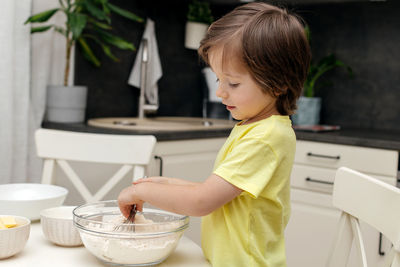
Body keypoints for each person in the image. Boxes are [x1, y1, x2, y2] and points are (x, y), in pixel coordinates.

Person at [118, 2, 311, 266]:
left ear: (277, 83)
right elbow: (221, 193)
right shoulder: (255, 127)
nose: (220, 91)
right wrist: (166, 184)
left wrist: (141, 193)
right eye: (219, 79)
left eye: (232, 82)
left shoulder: (266, 138)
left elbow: (201, 202)